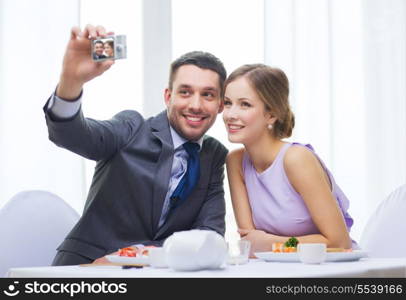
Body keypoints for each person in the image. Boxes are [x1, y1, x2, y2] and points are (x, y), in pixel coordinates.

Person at [44, 25, 228, 265]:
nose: (196, 105)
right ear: (167, 96)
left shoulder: (213, 154)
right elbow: (73, 135)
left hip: (152, 275)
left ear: (221, 105)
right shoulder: (132, 127)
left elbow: (209, 234)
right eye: (185, 92)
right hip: (88, 268)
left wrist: (135, 256)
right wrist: (71, 82)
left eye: (208, 95)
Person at [223, 64, 356, 255]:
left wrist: (273, 243)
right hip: (276, 270)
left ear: (271, 114)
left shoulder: (296, 159)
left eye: (245, 104)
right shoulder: (235, 161)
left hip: (327, 271)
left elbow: (339, 242)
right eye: (228, 103)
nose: (230, 115)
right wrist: (266, 245)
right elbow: (251, 244)